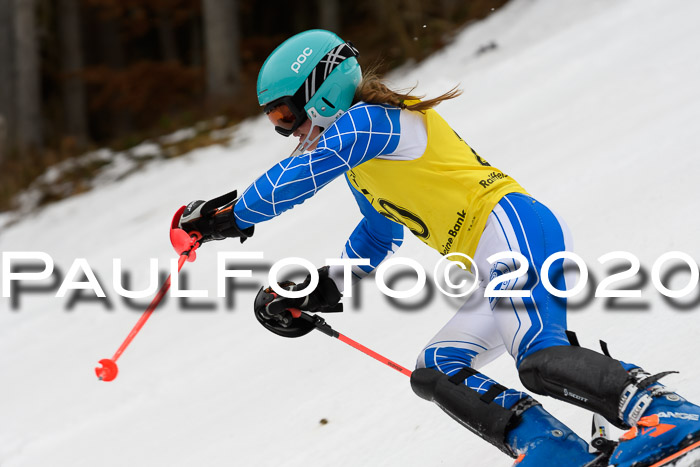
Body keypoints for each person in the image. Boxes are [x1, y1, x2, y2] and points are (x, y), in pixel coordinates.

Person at [177, 29, 700, 466]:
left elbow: (294, 180)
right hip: (489, 257)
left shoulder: (368, 122)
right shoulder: (361, 164)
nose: (285, 132)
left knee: (537, 356)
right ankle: (555, 452)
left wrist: (222, 218)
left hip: (511, 226)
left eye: (286, 116)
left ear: (321, 90)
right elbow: (378, 237)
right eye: (275, 124)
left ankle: (668, 412)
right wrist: (313, 288)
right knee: (437, 369)